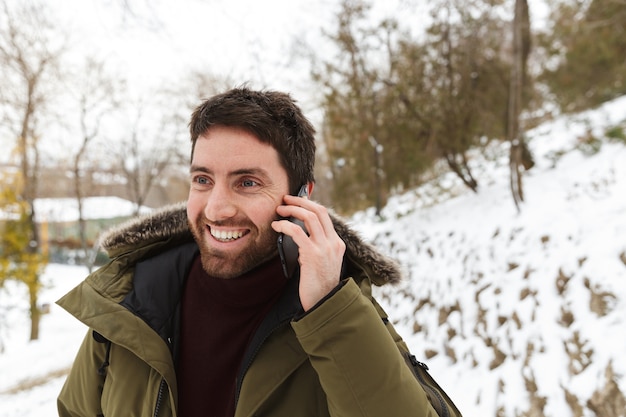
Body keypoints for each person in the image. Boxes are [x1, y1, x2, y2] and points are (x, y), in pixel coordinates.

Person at [56, 87, 437, 417]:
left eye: (248, 182)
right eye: (203, 180)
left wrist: (328, 310)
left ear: (302, 197)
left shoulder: (340, 314)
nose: (217, 208)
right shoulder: (133, 300)